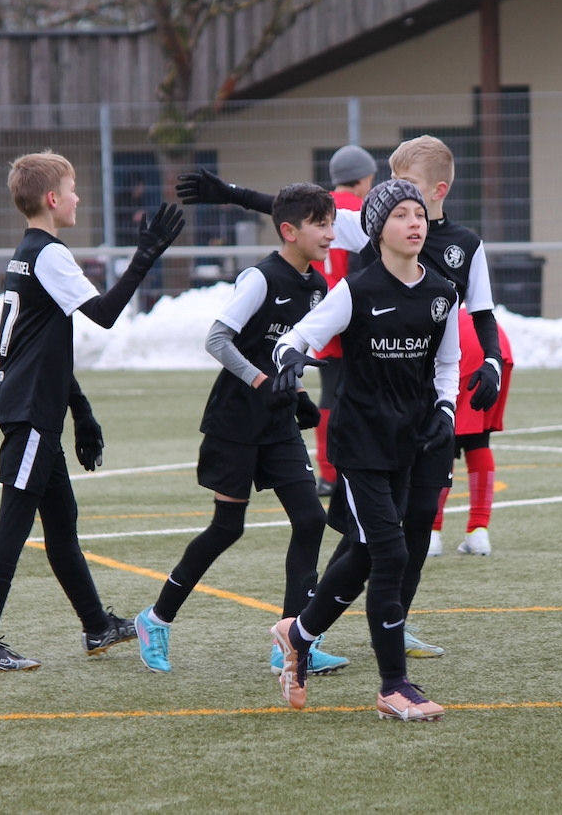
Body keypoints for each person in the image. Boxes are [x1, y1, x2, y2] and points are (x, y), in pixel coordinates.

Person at [176, 135, 503, 660]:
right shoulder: (373, 235)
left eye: (409, 189)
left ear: (438, 191)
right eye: (392, 189)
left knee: (417, 525)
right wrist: (232, 194)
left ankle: (391, 625)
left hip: (427, 410)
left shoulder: (464, 247)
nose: (396, 198)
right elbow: (299, 214)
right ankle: (311, 632)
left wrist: (489, 363)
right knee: (367, 537)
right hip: (371, 405)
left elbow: (480, 316)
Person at [0, 151, 185, 673]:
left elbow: (45, 349)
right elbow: (103, 314)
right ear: (52, 198)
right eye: (73, 188)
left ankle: (96, 625)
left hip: (33, 403)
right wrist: (145, 256)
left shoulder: (29, 251)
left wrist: (80, 411)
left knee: (61, 525)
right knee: (12, 526)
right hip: (30, 408)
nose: (78, 197)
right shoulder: (50, 254)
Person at [132, 182, 349, 677]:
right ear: (289, 230)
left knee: (310, 520)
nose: (330, 234)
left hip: (277, 422)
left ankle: (291, 642)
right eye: (320, 224)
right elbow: (217, 339)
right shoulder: (260, 278)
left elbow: (288, 351)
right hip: (235, 420)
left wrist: (298, 395)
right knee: (227, 527)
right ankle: (155, 619)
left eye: (332, 224)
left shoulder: (318, 287)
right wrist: (259, 381)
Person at [269, 179, 460, 721]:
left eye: (418, 213)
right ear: (378, 229)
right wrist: (289, 360)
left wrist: (445, 410)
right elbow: (294, 338)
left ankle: (299, 633)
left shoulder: (443, 292)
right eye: (401, 214)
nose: (414, 223)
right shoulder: (356, 290)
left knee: (364, 552)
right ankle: (394, 687)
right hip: (360, 446)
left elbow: (447, 363)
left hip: (412, 442)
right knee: (391, 553)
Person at [313, 145, 378, 497]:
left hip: (320, 311)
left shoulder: (315, 209)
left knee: (330, 391)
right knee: (367, 392)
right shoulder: (363, 210)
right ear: (364, 178)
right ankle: (363, 465)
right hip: (357, 310)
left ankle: (328, 473)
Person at [427, 304, 514, 557]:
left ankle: (431, 533)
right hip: (496, 347)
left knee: (444, 440)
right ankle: (478, 531)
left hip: (461, 345)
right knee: (478, 440)